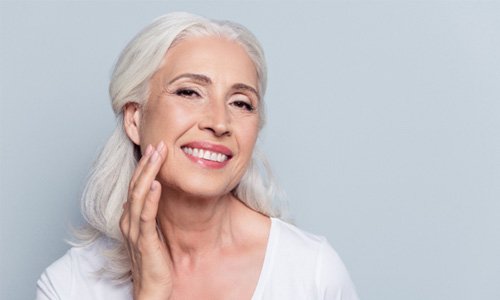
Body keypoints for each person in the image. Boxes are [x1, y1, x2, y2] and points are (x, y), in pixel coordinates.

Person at [36, 12, 359, 300]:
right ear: (135, 119)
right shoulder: (68, 286)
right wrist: (151, 294)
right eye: (189, 92)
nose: (219, 122)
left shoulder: (312, 272)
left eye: (241, 103)